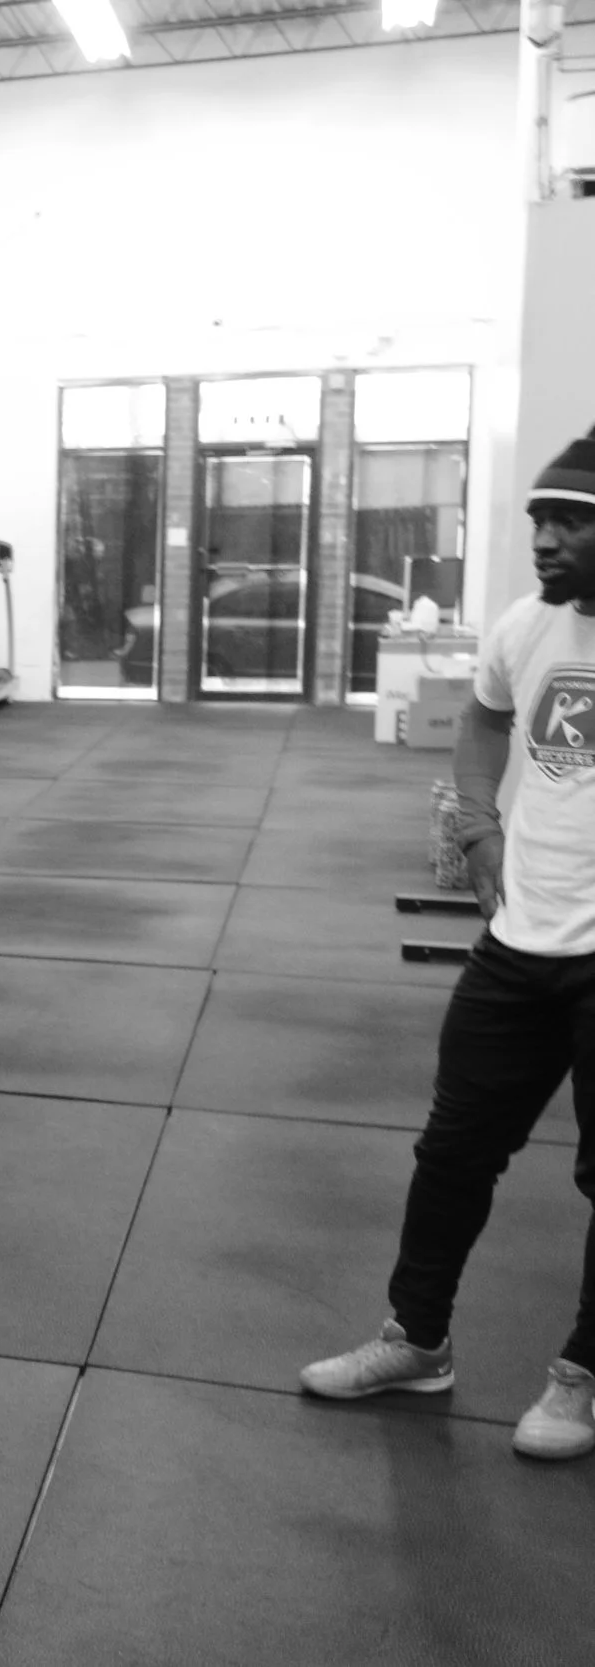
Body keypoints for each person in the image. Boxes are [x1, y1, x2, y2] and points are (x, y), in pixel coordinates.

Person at [300, 431, 595, 1462]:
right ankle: (415, 1340)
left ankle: (581, 1376)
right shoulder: (525, 626)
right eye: (536, 521)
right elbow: (479, 725)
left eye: (570, 522)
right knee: (452, 1150)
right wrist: (478, 826)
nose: (545, 540)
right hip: (519, 942)